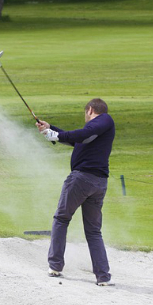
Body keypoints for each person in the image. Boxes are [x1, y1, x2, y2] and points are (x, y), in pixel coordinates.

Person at [36, 98, 115, 286]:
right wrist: (51, 129)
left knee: (61, 219)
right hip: (98, 184)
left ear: (90, 110)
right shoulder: (94, 132)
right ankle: (102, 276)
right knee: (94, 231)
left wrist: (55, 135)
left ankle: (55, 266)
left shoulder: (104, 120)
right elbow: (79, 139)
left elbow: (82, 133)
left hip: (81, 179)